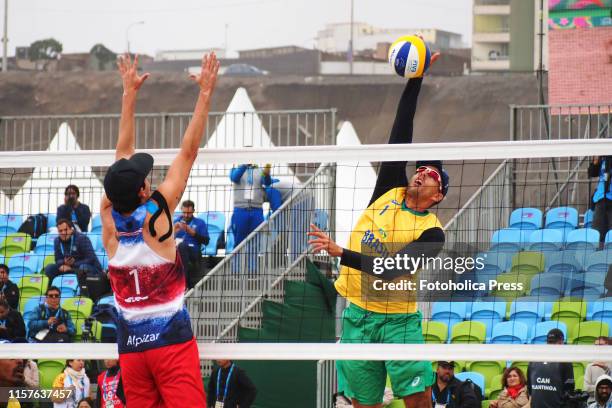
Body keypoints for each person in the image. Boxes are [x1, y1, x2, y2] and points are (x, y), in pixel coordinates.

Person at [307, 47, 444, 408]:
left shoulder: (432, 232)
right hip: (357, 314)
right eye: (419, 168)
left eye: (429, 173)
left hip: (399, 320)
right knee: (364, 404)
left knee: (419, 400)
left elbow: (392, 268)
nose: (420, 172)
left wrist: (341, 252)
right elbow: (401, 132)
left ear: (439, 194)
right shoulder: (388, 190)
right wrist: (416, 79)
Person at [100, 53, 218, 407]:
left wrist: (128, 94)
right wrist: (206, 94)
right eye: (143, 177)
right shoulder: (157, 218)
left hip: (132, 351)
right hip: (170, 343)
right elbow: (189, 152)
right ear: (141, 191)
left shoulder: (107, 219)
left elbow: (122, 157)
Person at [44, 219, 101, 295]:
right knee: (49, 268)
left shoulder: (82, 238)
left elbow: (90, 258)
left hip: (88, 268)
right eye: (60, 231)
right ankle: (52, 293)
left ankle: (85, 294)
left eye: (66, 230)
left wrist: (72, 266)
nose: (63, 233)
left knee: (83, 267)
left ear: (71, 229)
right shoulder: (57, 241)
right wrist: (63, 263)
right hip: (70, 267)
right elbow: (57, 259)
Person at [527, 329, 574, 408]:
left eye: (555, 342)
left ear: (562, 342)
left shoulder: (565, 361)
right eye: (550, 342)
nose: (552, 345)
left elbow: (569, 389)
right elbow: (529, 388)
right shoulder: (534, 361)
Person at [230, 162, 272, 246]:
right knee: (239, 240)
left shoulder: (259, 171)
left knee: (255, 241)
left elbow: (267, 183)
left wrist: (267, 175)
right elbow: (234, 178)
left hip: (257, 210)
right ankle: (238, 259)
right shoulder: (235, 169)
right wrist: (244, 165)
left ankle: (253, 260)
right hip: (240, 209)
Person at [174, 200, 209, 288]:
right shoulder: (176, 222)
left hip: (194, 252)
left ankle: (184, 283)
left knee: (182, 246)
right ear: (181, 209)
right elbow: (165, 241)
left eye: (189, 213)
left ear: (193, 211)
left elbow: (206, 241)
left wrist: (193, 233)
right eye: (184, 212)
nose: (186, 215)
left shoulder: (200, 222)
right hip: (176, 252)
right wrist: (173, 232)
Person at [588, 156, 612, 243]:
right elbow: (592, 173)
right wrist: (596, 160)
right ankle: (598, 254)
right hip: (601, 199)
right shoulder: (602, 158)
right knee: (597, 232)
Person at [585, 337, 612, 404]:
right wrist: (605, 388)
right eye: (596, 346)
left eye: (601, 345)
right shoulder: (590, 366)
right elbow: (587, 388)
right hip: (593, 402)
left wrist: (607, 369)